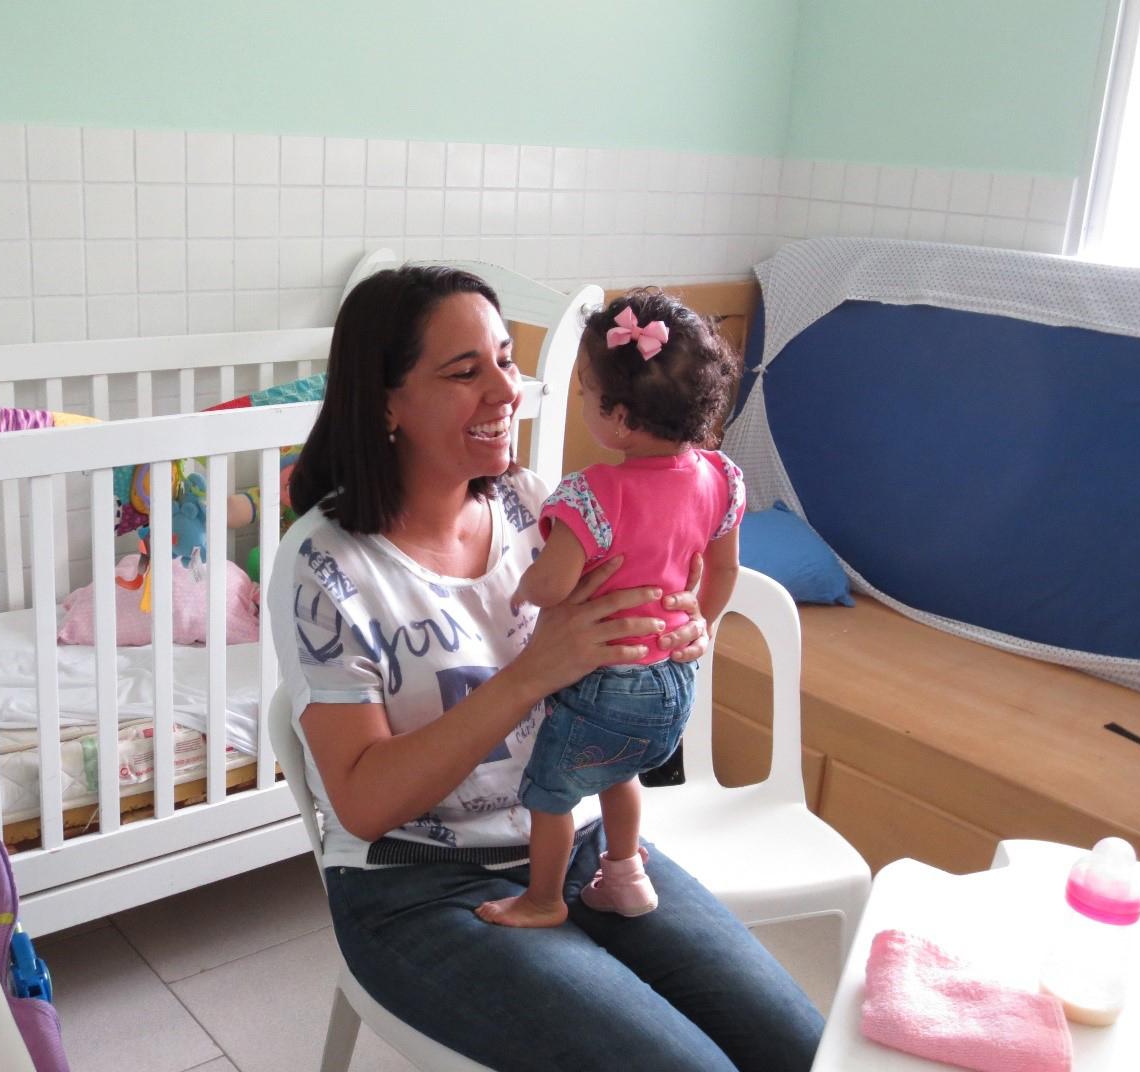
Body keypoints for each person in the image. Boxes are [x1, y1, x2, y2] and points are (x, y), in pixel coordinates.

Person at [271, 264, 822, 1071]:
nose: (507, 389)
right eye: (466, 372)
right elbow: (360, 803)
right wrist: (532, 672)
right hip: (419, 888)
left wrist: (680, 631)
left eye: (505, 358)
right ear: (385, 401)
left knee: (804, 1049)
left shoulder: (537, 505)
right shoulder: (325, 566)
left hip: (584, 846)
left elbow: (639, 611)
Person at [476, 289, 744, 929]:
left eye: (585, 394)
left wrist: (521, 586)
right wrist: (699, 621)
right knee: (616, 770)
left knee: (550, 792)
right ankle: (624, 873)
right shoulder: (719, 475)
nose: (581, 404)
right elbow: (725, 568)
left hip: (607, 685)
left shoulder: (593, 493)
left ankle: (543, 899)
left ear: (620, 418)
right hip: (674, 684)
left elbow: (556, 585)